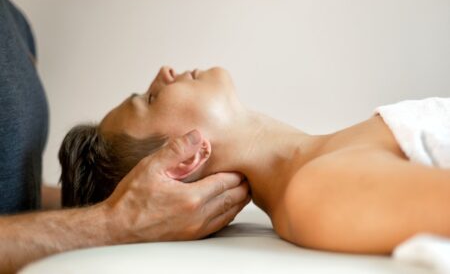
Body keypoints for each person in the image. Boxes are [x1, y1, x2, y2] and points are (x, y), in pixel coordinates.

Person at [60, 65, 450, 255]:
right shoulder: (315, 192)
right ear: (180, 161)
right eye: (149, 99)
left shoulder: (329, 159)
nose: (164, 73)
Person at [0, 0, 250, 274]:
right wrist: (115, 221)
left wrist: (126, 203)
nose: (164, 70)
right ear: (190, 156)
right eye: (151, 98)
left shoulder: (13, 23)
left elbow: (17, 193)